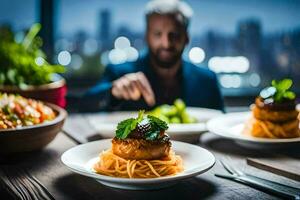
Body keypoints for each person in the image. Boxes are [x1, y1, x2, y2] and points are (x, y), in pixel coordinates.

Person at [81, 0, 224, 112]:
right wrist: (113, 92)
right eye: (157, 34)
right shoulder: (119, 73)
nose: (166, 43)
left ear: (186, 38)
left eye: (174, 34)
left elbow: (219, 124)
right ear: (146, 37)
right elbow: (85, 105)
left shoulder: (207, 80)